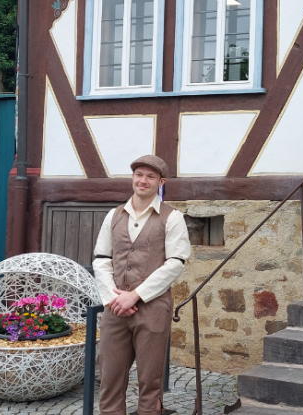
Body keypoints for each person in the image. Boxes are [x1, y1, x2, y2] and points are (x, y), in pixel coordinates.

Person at [92, 155, 190, 415]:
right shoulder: (113, 215)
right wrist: (113, 298)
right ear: (132, 178)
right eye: (139, 175)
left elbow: (175, 263)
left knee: (150, 380)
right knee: (110, 377)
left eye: (150, 176)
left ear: (161, 182)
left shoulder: (172, 218)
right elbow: (101, 259)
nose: (143, 180)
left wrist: (135, 295)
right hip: (115, 308)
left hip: (153, 307)